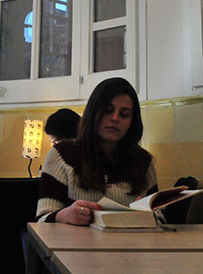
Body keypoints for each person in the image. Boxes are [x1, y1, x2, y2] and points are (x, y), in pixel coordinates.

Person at [36, 77, 158, 224]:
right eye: (108, 110)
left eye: (124, 114)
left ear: (133, 122)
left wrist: (150, 217)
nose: (115, 118)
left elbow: (161, 219)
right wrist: (63, 216)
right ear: (93, 112)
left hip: (129, 245)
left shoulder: (144, 162)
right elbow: (41, 222)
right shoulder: (62, 155)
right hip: (75, 245)